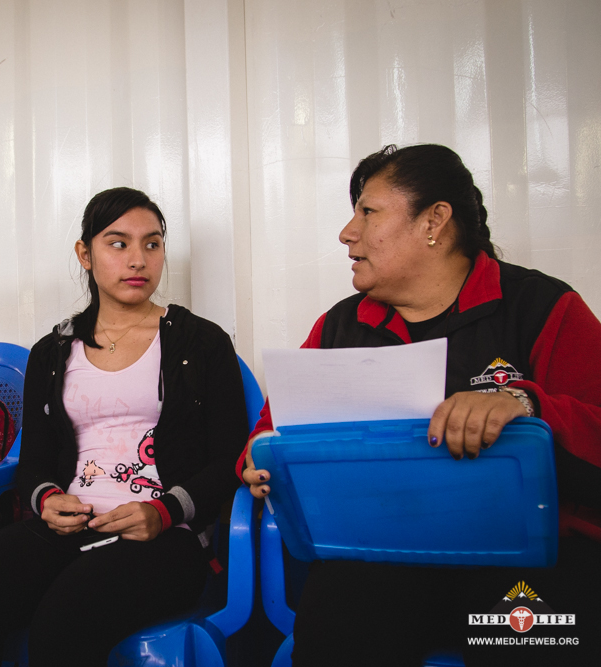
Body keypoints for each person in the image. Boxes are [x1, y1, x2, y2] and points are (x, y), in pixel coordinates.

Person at [241, 144, 601, 666]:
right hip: (381, 558)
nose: (347, 232)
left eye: (368, 212)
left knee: (533, 638)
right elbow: (270, 434)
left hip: (528, 562)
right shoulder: (341, 327)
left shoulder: (541, 307)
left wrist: (525, 403)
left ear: (434, 221)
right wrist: (257, 460)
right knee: (337, 619)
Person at [0, 187, 250, 667]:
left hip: (165, 537)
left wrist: (161, 512)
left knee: (66, 617)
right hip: (75, 526)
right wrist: (48, 499)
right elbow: (33, 461)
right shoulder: (52, 353)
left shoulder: (201, 343)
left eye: (152, 244)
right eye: (118, 244)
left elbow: (230, 459)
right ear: (85, 254)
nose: (138, 259)